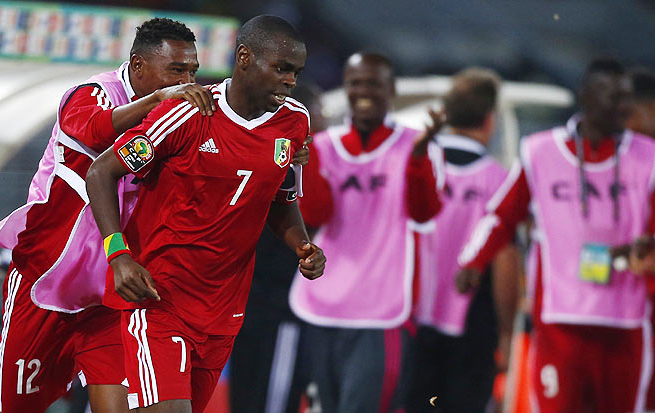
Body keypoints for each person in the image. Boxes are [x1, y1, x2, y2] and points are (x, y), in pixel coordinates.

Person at [85, 15, 325, 413]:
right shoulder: (190, 112)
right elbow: (101, 172)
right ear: (245, 57)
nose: (290, 81)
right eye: (281, 68)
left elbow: (281, 197)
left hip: (223, 311)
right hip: (159, 300)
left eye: (295, 72)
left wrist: (301, 243)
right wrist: (119, 254)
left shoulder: (295, 121)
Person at [0, 17, 218, 413]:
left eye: (192, 71)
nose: (188, 80)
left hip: (112, 293)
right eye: (176, 70)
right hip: (45, 282)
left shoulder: (181, 119)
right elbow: (94, 130)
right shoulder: (91, 93)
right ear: (137, 65)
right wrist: (158, 101)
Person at [457, 57, 655, 413]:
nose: (621, 107)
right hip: (560, 323)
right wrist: (472, 261)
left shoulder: (649, 156)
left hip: (625, 323)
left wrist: (652, 247)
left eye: (624, 98)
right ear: (584, 95)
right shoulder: (540, 151)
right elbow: (502, 216)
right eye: (611, 97)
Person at [289, 52, 420, 413]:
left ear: (391, 88)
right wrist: (308, 150)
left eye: (373, 83)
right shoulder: (323, 145)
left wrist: (422, 162)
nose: (363, 91)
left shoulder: (416, 144)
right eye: (355, 83)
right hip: (321, 306)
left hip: (381, 312)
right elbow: (317, 213)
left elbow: (426, 212)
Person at [404, 68, 520, 412]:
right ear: (490, 120)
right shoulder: (501, 183)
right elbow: (505, 260)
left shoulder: (417, 167)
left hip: (409, 320)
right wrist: (506, 335)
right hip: (472, 329)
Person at [229, 82, 327, 413]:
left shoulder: (296, 158)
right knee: (261, 394)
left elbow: (315, 212)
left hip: (267, 298)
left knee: (262, 393)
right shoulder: (272, 155)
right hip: (262, 299)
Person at [627, 67, 655, 412]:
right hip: (630, 309)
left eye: (630, 114)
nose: (623, 124)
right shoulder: (616, 158)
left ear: (654, 109)